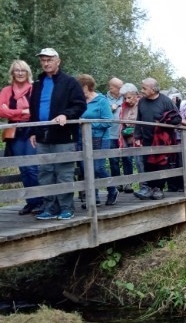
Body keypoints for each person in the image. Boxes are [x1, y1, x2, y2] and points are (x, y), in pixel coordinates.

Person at [29, 48, 87, 221]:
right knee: (45, 172)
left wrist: (66, 114)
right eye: (43, 60)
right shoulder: (38, 84)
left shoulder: (70, 82)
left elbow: (80, 105)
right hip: (42, 135)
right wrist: (33, 130)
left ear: (58, 61)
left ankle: (66, 208)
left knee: (64, 173)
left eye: (49, 60)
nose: (46, 63)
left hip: (63, 135)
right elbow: (34, 109)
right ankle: (50, 207)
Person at [0, 60, 44, 214]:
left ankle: (41, 201)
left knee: (32, 167)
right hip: (14, 131)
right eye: (17, 70)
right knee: (23, 168)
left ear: (28, 73)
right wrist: (21, 112)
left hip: (31, 129)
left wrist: (11, 111)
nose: (19, 73)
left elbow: (34, 111)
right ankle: (31, 202)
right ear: (12, 73)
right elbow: (1, 111)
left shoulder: (34, 89)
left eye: (23, 70)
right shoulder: (6, 90)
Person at [133, 77, 176, 200]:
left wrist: (163, 123)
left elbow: (176, 118)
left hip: (162, 140)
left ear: (153, 89)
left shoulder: (166, 101)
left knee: (161, 164)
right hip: (147, 139)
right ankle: (148, 188)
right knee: (147, 164)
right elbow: (139, 119)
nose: (141, 91)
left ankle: (159, 189)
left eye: (144, 88)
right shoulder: (142, 102)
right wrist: (137, 135)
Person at [77, 74, 117, 206]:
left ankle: (112, 190)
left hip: (100, 138)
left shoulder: (101, 101)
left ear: (87, 87)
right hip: (82, 139)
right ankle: (93, 198)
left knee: (98, 168)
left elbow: (108, 121)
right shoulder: (79, 101)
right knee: (85, 169)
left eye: (80, 87)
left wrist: (88, 124)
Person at [117, 82, 141, 191]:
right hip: (125, 137)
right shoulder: (124, 106)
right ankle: (128, 183)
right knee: (126, 159)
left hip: (138, 137)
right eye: (125, 98)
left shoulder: (142, 104)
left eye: (129, 97)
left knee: (139, 161)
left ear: (136, 95)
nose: (127, 100)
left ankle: (144, 185)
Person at [105, 77, 124, 184]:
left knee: (127, 159)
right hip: (111, 135)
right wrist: (110, 109)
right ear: (112, 88)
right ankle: (117, 183)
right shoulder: (103, 99)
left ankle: (127, 183)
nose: (121, 90)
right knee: (114, 160)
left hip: (124, 135)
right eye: (119, 88)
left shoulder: (126, 97)